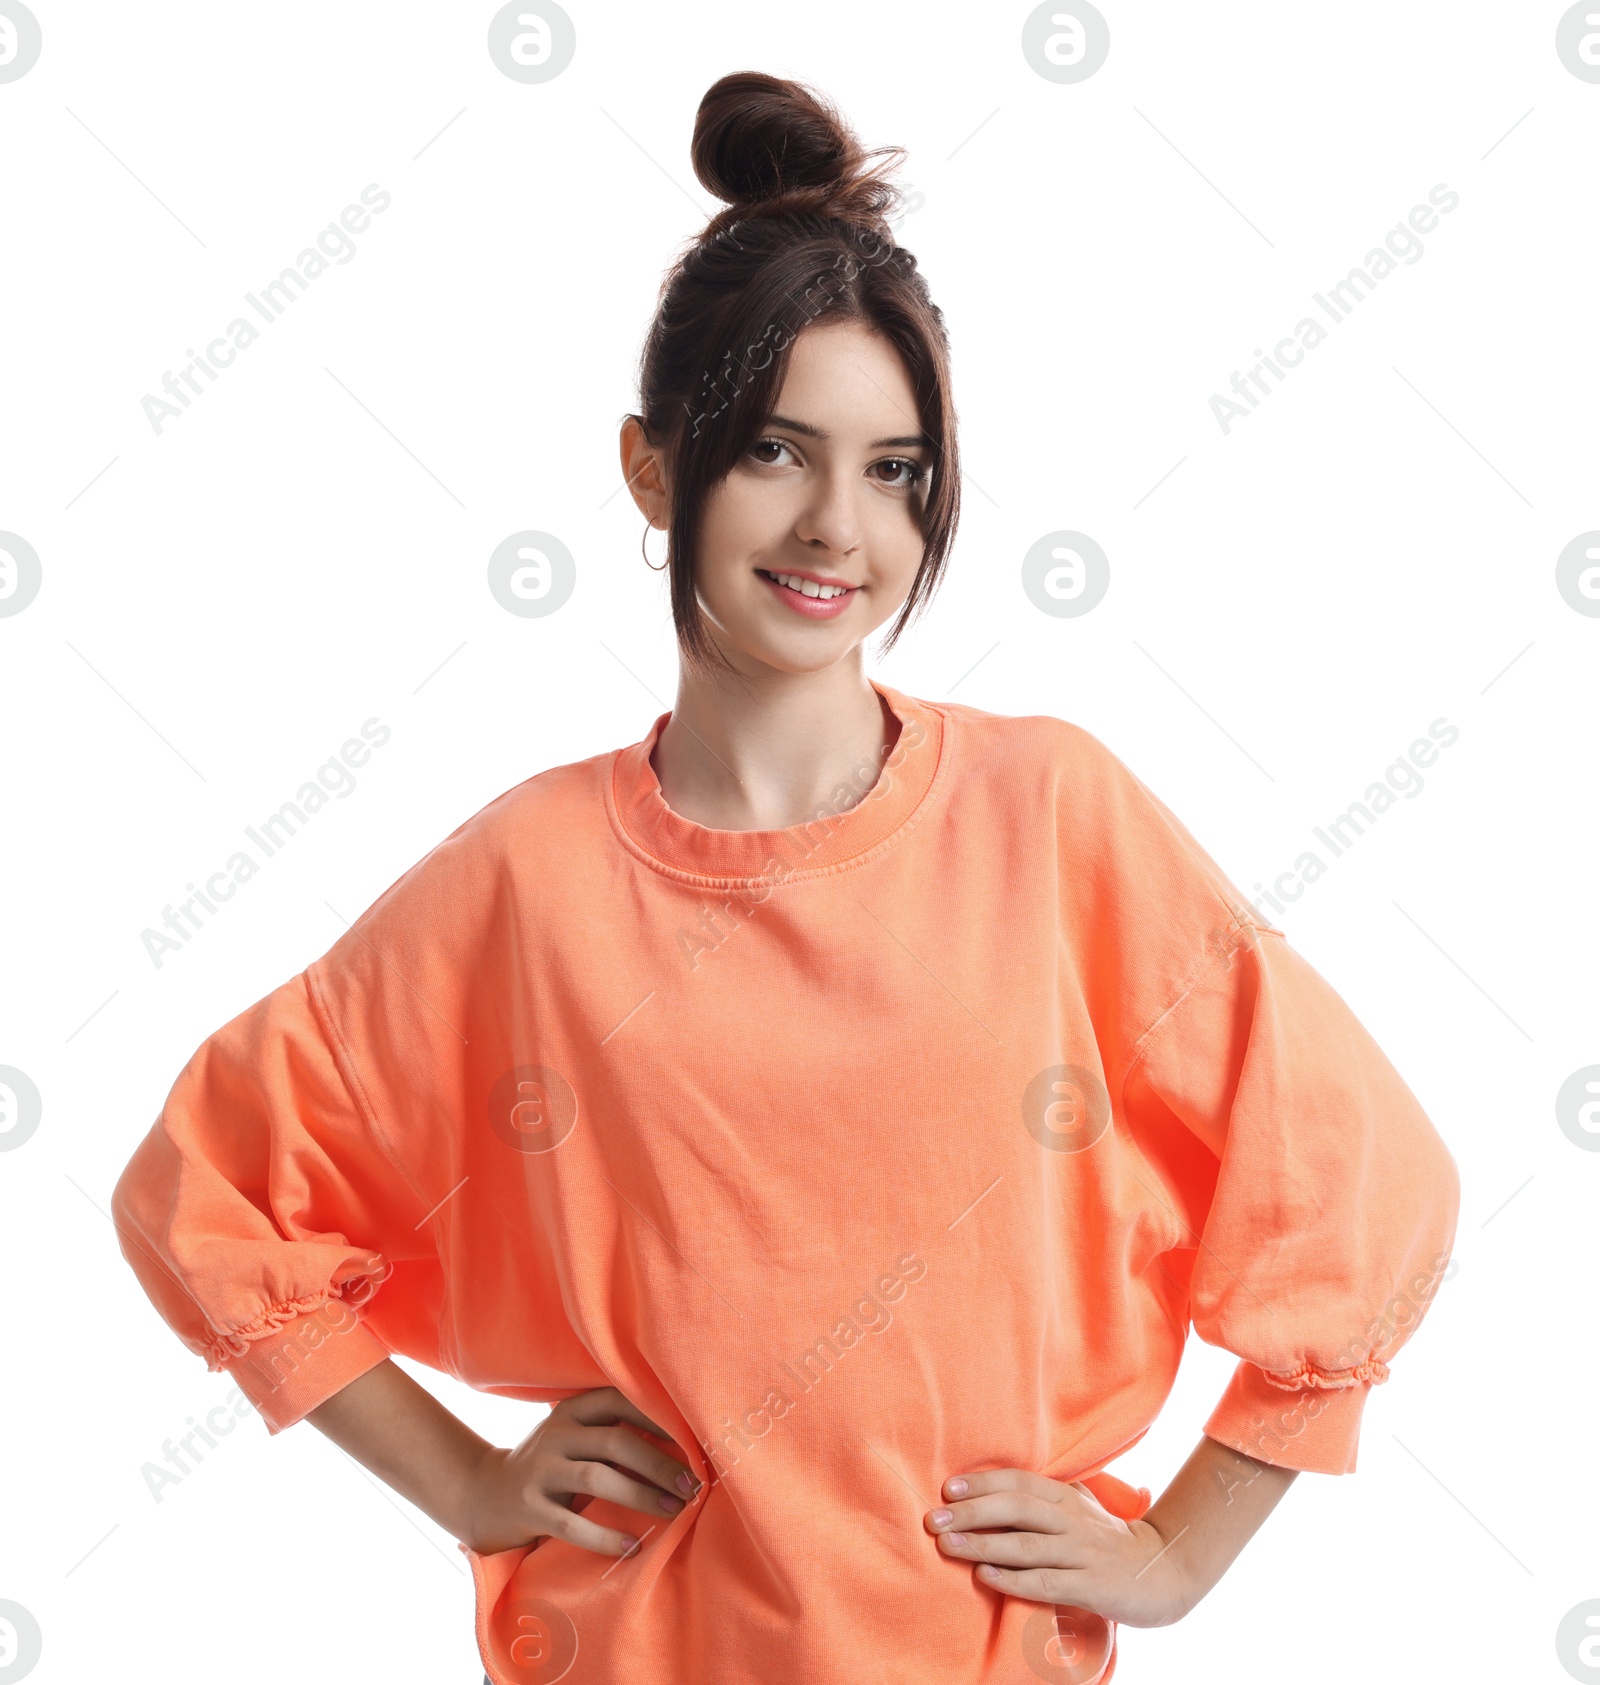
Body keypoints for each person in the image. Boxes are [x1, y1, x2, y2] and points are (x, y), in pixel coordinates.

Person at [111, 70, 1461, 1685]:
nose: (841, 526)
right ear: (650, 468)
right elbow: (204, 1193)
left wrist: (1179, 1549)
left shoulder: (1054, 817)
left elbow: (1365, 1189)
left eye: (897, 469)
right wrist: (473, 1485)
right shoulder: (526, 882)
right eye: (776, 451)